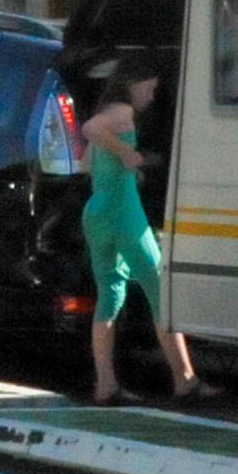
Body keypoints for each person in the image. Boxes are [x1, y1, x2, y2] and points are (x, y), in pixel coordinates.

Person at [74, 57, 199, 406]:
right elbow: (89, 129)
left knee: (110, 294)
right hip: (124, 214)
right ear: (132, 84)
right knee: (161, 290)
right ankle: (185, 380)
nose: (152, 96)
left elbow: (86, 163)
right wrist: (127, 153)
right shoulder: (122, 112)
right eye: (150, 88)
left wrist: (125, 166)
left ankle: (106, 385)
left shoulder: (109, 111)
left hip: (97, 213)